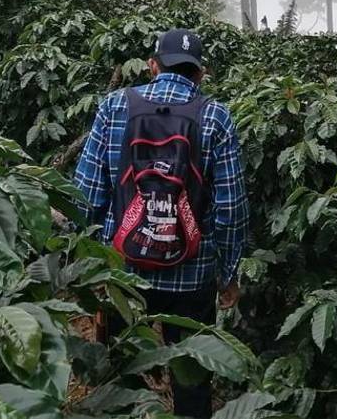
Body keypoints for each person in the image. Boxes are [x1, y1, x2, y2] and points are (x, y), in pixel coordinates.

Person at [74, 28, 248, 419]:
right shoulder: (216, 116)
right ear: (200, 74)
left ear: (153, 66)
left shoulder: (115, 106)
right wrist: (228, 273)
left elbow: (87, 193)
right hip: (192, 274)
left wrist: (84, 264)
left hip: (123, 273)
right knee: (191, 378)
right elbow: (231, 208)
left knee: (118, 377)